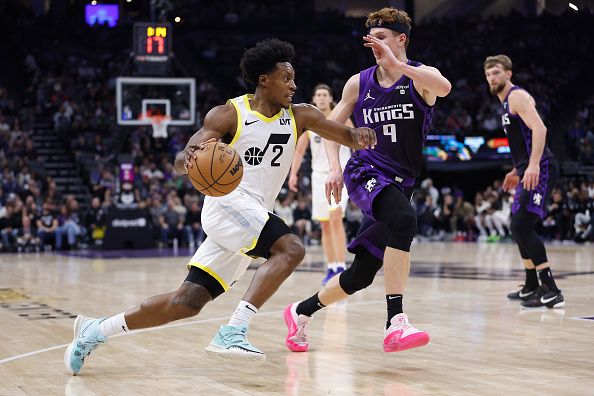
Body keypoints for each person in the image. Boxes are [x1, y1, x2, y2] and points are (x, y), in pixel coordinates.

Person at [64, 38, 376, 374]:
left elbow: (346, 137)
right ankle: (234, 330)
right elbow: (181, 160)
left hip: (252, 216)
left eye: (294, 78)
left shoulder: (301, 115)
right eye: (286, 78)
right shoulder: (229, 114)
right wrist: (190, 158)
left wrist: (361, 136)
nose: (293, 84)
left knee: (186, 303)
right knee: (291, 249)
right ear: (263, 79)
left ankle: (95, 330)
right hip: (228, 204)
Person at [284, 7, 451, 354]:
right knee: (405, 219)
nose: (374, 43)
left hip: (400, 182)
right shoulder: (359, 82)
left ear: (401, 39)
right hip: (365, 172)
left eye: (382, 37)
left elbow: (445, 86)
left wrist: (398, 65)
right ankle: (396, 322)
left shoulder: (418, 77)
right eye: (371, 38)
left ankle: (300, 312)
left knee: (359, 276)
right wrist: (333, 166)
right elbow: (330, 128)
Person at [484, 54, 564, 308]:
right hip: (528, 168)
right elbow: (523, 141)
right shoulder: (504, 104)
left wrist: (531, 165)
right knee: (516, 224)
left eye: (496, 72)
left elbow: (540, 129)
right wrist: (518, 169)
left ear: (508, 74)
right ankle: (531, 285)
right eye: (488, 74)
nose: (491, 78)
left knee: (521, 224)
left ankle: (550, 288)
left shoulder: (516, 96)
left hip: (540, 168)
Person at [289, 84, 352, 285]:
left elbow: (357, 145)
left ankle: (341, 266)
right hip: (319, 178)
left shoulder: (342, 117)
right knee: (324, 224)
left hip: (339, 175)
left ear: (331, 98)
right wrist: (293, 175)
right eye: (319, 95)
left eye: (325, 94)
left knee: (335, 219)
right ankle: (331, 266)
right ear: (314, 99)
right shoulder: (310, 124)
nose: (322, 98)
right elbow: (299, 152)